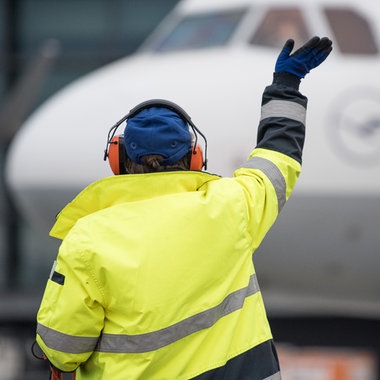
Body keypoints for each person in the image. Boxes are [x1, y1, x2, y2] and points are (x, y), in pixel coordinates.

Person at [35, 36, 332, 379]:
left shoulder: (88, 240)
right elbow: (278, 159)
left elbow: (62, 347)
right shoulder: (231, 206)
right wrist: (285, 86)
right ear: (194, 158)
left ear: (118, 159)